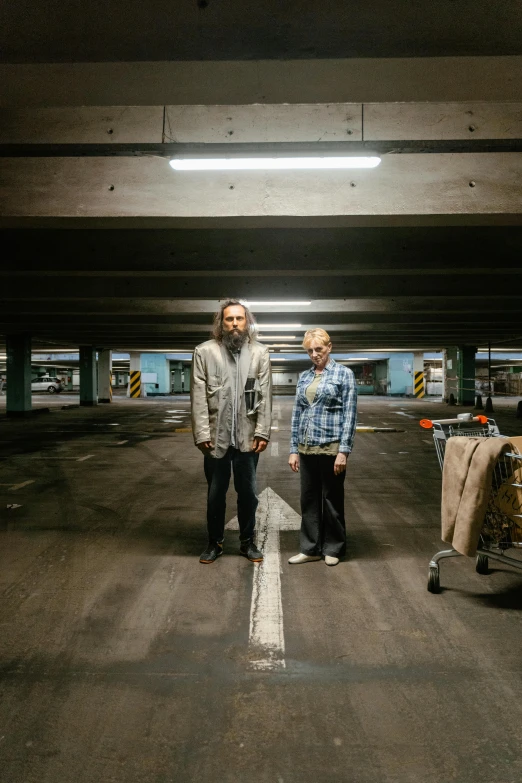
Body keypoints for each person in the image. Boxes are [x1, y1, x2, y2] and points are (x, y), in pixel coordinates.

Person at [191, 299, 272, 564]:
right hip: (216, 440)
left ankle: (247, 543)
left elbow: (265, 396)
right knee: (215, 495)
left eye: (239, 318)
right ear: (221, 323)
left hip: (247, 439)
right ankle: (214, 542)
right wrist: (202, 434)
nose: (235, 324)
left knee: (248, 494)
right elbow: (199, 398)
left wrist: (262, 431)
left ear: (247, 322)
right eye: (229, 319)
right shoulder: (204, 352)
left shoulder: (260, 354)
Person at [288, 328, 357, 566]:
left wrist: (343, 451)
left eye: (318, 349)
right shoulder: (305, 377)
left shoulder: (343, 374)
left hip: (331, 446)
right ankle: (310, 548)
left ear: (329, 347)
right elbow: (297, 413)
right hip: (306, 447)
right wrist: (293, 449)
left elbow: (349, 415)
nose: (314, 354)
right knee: (308, 500)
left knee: (331, 499)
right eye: (310, 351)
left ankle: (334, 548)